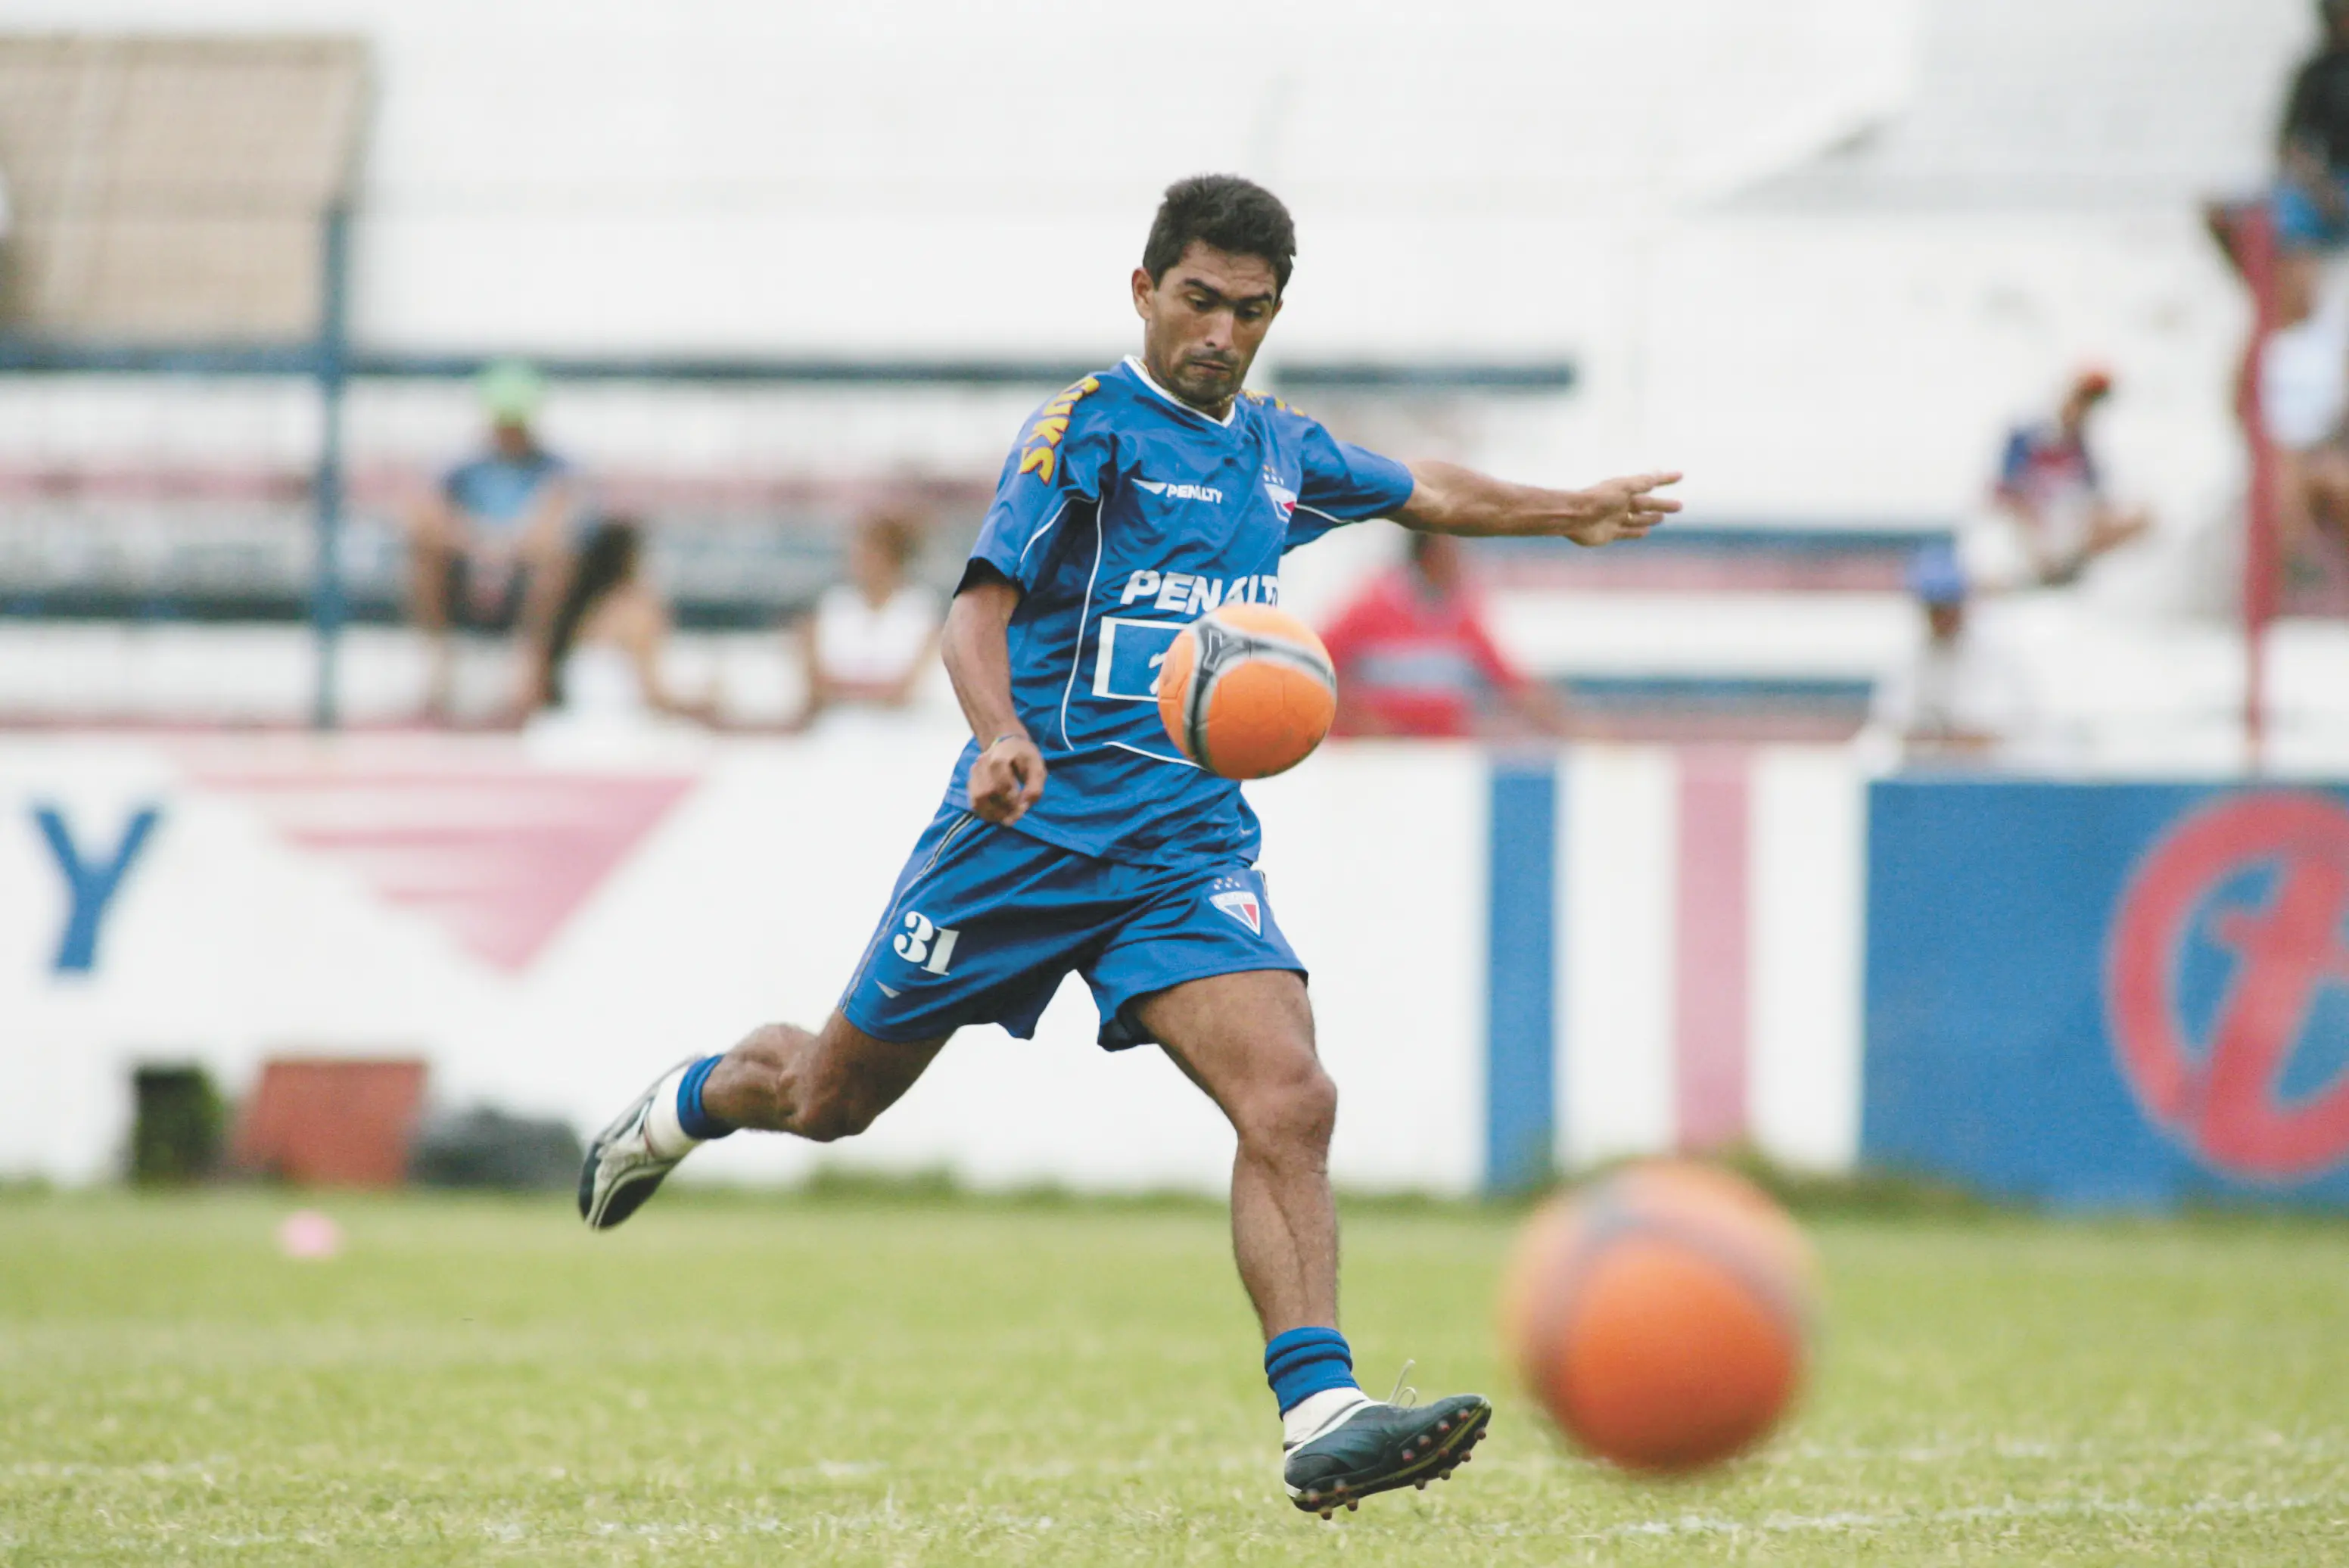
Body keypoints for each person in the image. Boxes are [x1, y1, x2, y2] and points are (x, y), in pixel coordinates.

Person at [574, 175, 1679, 1516]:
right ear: (1144, 290)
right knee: (827, 1098)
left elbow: (1423, 487)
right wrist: (997, 735)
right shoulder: (1082, 433)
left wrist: (1566, 508)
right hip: (1020, 835)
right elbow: (971, 615)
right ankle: (684, 1104)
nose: (1220, 332)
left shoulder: (1277, 453)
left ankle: (1320, 1409)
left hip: (1180, 848)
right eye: (1199, 300)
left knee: (1290, 1095)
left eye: (1249, 311)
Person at [408, 361, 577, 720]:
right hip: (469, 570)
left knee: (554, 562)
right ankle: (440, 674)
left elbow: (550, 529)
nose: (509, 429)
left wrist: (501, 550)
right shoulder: (461, 468)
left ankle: (528, 676)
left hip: (524, 576)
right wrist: (480, 546)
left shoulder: (556, 469)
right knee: (423, 552)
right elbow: (426, 517)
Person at [1318, 530, 1573, 739]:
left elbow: (1510, 684)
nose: (1459, 560)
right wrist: (1360, 719)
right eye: (1451, 550)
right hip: (1374, 761)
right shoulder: (1371, 605)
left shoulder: (1463, 614)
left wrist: (1568, 725)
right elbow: (1315, 667)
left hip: (1440, 760)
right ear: (1428, 555)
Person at [534, 518, 715, 728]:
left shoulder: (575, 609)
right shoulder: (635, 610)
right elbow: (654, 695)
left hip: (570, 727)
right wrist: (700, 704)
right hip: (620, 730)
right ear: (633, 560)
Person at [1985, 369, 2149, 589]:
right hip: (2031, 535)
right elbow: (2007, 493)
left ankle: (2062, 567)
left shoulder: (2084, 448)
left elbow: (2099, 500)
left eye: (2090, 406)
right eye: (2081, 400)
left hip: (2070, 533)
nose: (2084, 411)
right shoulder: (2027, 437)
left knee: (2141, 516)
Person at [1872, 543, 2032, 763]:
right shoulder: (1908, 659)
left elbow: (1996, 732)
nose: (1941, 618)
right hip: (1924, 771)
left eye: (1947, 606)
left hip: (1987, 772)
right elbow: (1895, 724)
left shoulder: (1995, 656)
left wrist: (1945, 739)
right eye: (1934, 608)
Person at [792, 508, 944, 729]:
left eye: (871, 552)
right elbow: (816, 688)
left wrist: (844, 690)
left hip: (903, 730)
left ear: (894, 557)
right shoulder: (834, 604)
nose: (859, 560)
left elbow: (907, 691)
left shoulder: (920, 609)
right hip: (835, 729)